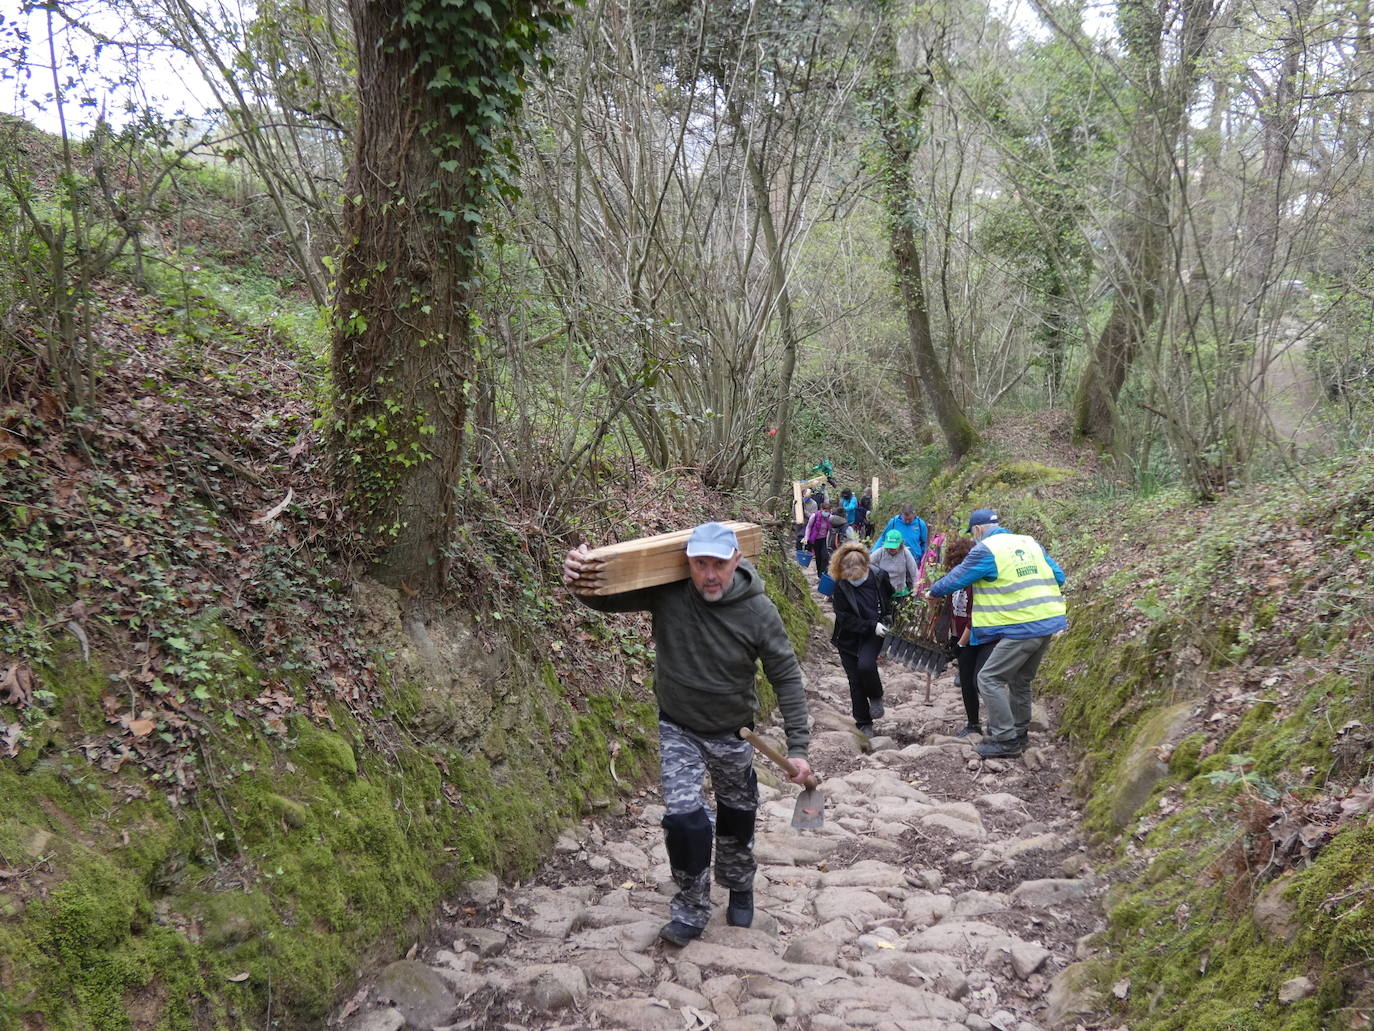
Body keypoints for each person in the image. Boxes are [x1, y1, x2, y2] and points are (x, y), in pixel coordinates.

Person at [562, 523, 814, 946]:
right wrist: (580, 578)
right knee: (684, 821)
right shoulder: (669, 591)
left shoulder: (758, 612)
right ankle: (691, 906)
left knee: (736, 814)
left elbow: (786, 676)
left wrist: (800, 746)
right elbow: (605, 600)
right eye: (700, 564)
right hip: (678, 725)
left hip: (735, 732)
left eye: (718, 563)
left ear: (737, 560)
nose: (709, 574)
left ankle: (738, 881)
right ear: (688, 564)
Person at [928, 509, 1066, 758]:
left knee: (989, 679)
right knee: (1020, 680)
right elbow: (1059, 577)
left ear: (978, 530)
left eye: (973, 533)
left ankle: (1006, 740)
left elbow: (957, 577)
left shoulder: (986, 549)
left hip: (1021, 626)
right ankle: (1020, 734)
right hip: (1048, 621)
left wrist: (933, 591)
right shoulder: (1029, 542)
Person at [828, 540, 895, 739]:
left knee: (866, 666)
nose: (853, 582)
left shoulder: (879, 576)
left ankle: (876, 695)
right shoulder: (840, 584)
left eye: (857, 578)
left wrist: (887, 621)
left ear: (866, 567)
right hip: (848, 636)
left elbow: (891, 600)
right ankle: (863, 722)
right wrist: (869, 625)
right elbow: (844, 618)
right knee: (854, 681)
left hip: (874, 633)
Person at [942, 535, 981, 738]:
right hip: (961, 635)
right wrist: (953, 639)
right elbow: (953, 611)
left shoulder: (976, 583)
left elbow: (973, 618)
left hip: (977, 637)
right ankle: (973, 723)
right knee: (966, 681)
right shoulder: (955, 580)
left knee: (977, 680)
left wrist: (961, 644)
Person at [870, 529, 919, 596]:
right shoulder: (881, 552)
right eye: (890, 546)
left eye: (894, 547)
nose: (892, 549)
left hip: (900, 591)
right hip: (884, 591)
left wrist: (915, 588)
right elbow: (867, 564)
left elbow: (914, 572)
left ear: (900, 544)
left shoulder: (905, 553)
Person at [804, 500, 834, 575]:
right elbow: (808, 527)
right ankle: (819, 573)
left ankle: (824, 572)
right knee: (818, 557)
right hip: (815, 539)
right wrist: (806, 538)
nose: (826, 512)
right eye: (825, 511)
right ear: (821, 509)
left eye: (828, 511)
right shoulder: (815, 516)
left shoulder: (829, 518)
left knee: (825, 556)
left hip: (824, 539)